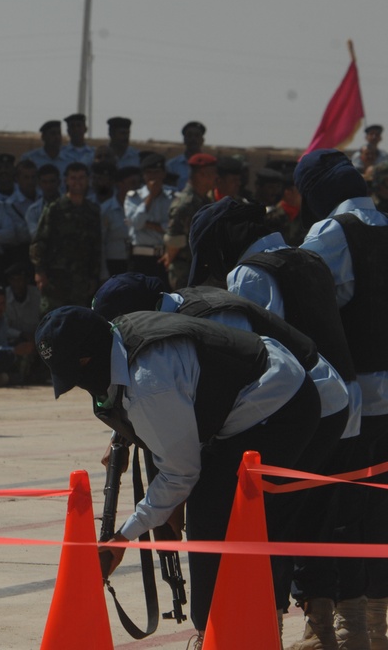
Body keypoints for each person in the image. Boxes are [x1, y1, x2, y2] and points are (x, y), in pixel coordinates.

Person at [35, 304, 319, 647]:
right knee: (210, 507)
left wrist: (124, 536)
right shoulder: (117, 337)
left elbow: (181, 473)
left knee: (214, 516)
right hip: (261, 381)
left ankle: (216, 635)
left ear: (87, 359)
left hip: (279, 401)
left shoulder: (148, 386)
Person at [184, 198, 358, 645]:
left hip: (299, 412)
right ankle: (328, 629)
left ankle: (267, 627)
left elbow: (257, 351)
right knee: (319, 520)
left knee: (270, 522)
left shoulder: (251, 273)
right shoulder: (308, 257)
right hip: (344, 405)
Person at [296, 149, 388, 647]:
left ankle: (331, 630)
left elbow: (310, 312)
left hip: (351, 406)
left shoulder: (329, 235)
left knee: (334, 515)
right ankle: (377, 629)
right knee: (380, 516)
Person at [29, 161, 102, 314]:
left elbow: (96, 246)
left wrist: (94, 277)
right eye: (73, 178)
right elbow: (39, 242)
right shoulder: (55, 208)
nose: (77, 182)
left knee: (77, 320)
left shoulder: (92, 211)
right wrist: (39, 271)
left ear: (88, 180)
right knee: (51, 321)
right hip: (55, 279)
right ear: (66, 181)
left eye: (81, 178)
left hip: (81, 280)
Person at [161, 152, 217, 289]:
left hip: (200, 269)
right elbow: (174, 240)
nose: (216, 177)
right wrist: (170, 257)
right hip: (185, 271)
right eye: (213, 173)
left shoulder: (205, 199)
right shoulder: (185, 204)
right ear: (201, 174)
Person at [124, 153, 173, 284]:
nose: (153, 177)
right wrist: (150, 196)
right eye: (149, 173)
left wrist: (149, 225)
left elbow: (171, 227)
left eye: (156, 172)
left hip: (162, 257)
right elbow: (137, 223)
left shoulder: (172, 197)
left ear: (163, 173)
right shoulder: (134, 197)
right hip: (138, 258)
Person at [165, 121, 207, 189]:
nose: (193, 139)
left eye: (197, 135)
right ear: (184, 140)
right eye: (189, 135)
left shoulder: (210, 165)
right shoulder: (172, 166)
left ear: (202, 140)